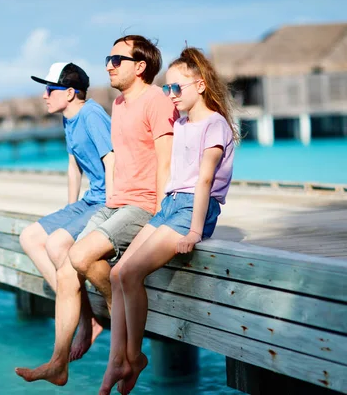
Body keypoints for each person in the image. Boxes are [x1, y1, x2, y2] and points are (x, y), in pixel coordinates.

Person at [15, 36, 177, 386]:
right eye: (108, 58)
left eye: (117, 59)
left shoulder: (157, 101)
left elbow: (164, 161)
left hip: (142, 204)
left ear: (140, 66)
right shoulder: (119, 104)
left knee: (77, 254)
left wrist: (163, 214)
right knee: (68, 265)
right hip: (115, 202)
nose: (108, 65)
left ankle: (116, 325)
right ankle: (59, 362)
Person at [99, 47, 240, 395]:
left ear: (201, 86)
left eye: (176, 88)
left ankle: (133, 356)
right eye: (167, 89)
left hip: (194, 208)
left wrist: (194, 231)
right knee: (117, 273)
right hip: (170, 205)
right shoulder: (180, 122)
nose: (171, 95)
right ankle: (119, 359)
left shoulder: (215, 124)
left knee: (130, 273)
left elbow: (204, 180)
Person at [16, 62, 114, 383]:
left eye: (50, 89)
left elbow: (111, 160)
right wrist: (70, 210)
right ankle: (87, 317)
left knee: (59, 244)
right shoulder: (68, 119)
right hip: (86, 201)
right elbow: (74, 166)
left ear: (70, 93)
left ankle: (85, 323)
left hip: (105, 201)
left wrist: (113, 210)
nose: (44, 95)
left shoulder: (92, 114)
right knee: (30, 237)